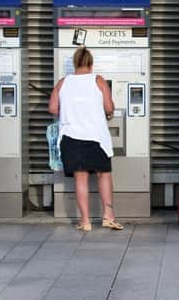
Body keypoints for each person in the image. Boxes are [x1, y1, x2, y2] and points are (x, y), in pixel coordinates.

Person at [48, 46, 123, 232]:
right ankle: (108, 216)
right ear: (91, 63)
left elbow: (52, 108)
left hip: (71, 137)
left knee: (80, 178)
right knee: (103, 174)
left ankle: (85, 221)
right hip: (97, 137)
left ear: (75, 63)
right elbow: (108, 107)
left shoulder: (63, 82)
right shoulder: (98, 80)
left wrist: (69, 112)